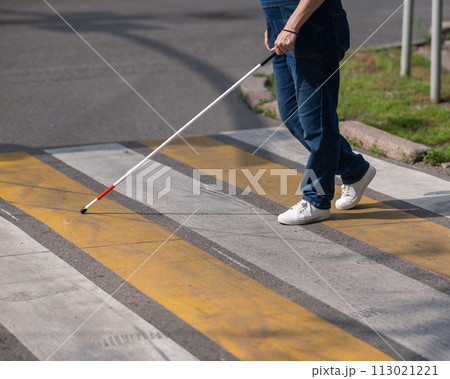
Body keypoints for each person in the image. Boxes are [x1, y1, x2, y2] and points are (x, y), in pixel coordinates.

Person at [261, 0, 376, 225]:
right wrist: (273, 23)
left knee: (317, 120)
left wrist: (290, 26)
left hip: (313, 30)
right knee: (292, 114)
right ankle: (354, 169)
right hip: (283, 28)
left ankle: (317, 199)